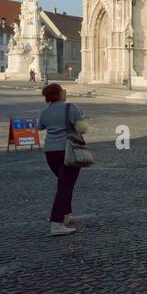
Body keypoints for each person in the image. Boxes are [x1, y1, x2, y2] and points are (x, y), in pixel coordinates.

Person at [37, 82, 88, 236]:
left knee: (65, 183)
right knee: (65, 187)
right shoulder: (70, 107)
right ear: (59, 94)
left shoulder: (45, 111)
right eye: (62, 91)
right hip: (68, 150)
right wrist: (81, 118)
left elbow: (40, 127)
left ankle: (66, 215)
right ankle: (56, 223)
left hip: (50, 153)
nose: (65, 92)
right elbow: (82, 129)